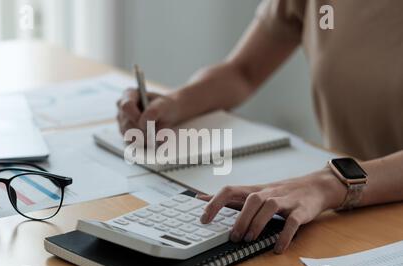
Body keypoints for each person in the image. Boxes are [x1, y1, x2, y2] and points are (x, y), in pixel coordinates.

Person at [116, 0, 403, 253]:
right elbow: (244, 71)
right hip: (352, 214)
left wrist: (332, 183)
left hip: (360, 205)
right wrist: (174, 103)